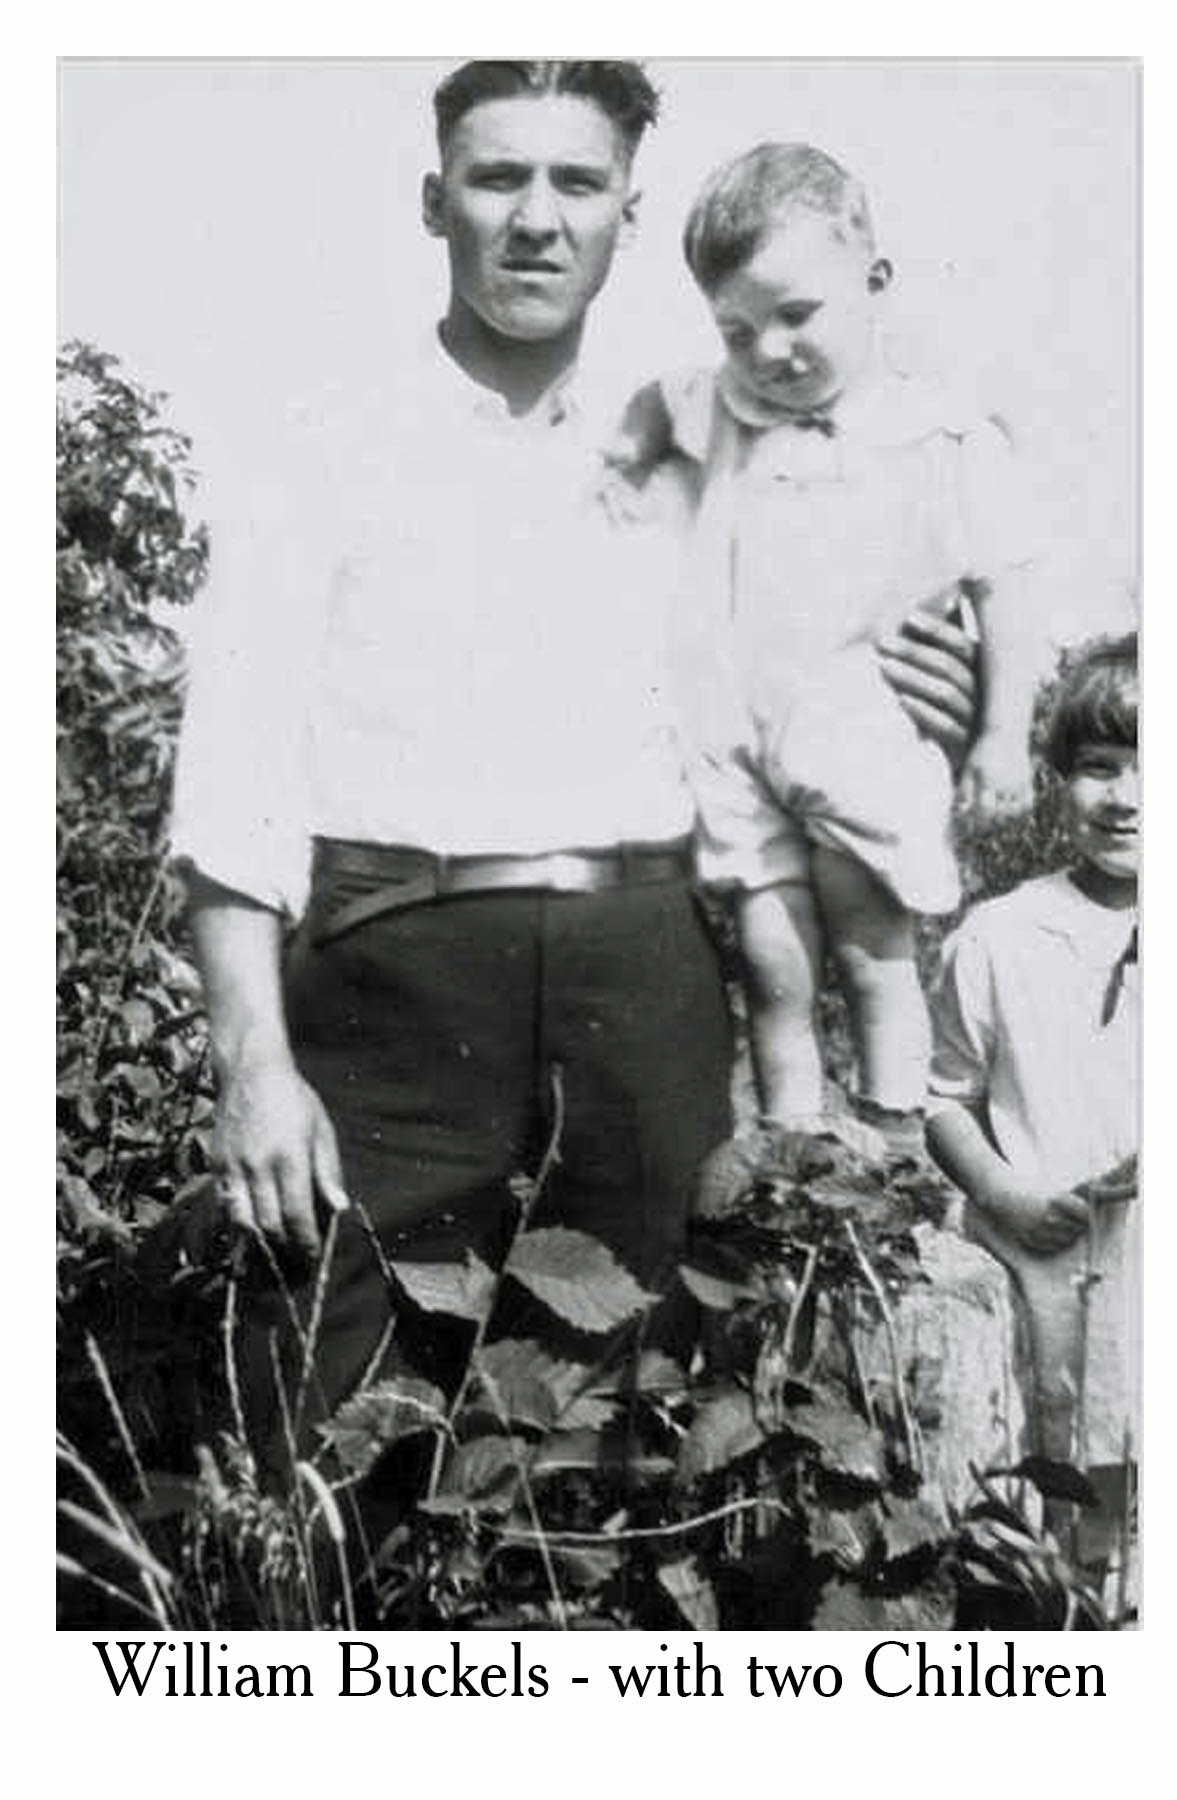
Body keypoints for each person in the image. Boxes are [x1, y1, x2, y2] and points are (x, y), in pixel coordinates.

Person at [171, 63, 982, 1472]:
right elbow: (236, 778)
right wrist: (252, 1063)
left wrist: (938, 699)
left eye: (577, 183)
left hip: (640, 981)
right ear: (435, 202)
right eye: (498, 179)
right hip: (391, 981)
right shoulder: (321, 445)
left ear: (627, 216)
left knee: (631, 1438)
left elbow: (818, 682)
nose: (536, 219)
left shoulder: (707, 444)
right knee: (319, 1438)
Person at [622, 143, 1046, 1138]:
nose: (769, 350)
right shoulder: (723, 410)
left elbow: (1008, 583)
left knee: (869, 943)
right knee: (773, 959)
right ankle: (793, 1151)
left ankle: (891, 1141)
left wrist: (1001, 734)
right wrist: (625, 456)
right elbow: (647, 414)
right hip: (735, 738)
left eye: (797, 314)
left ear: (875, 280)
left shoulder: (941, 434)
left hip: (865, 727)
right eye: (737, 330)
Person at [926, 635, 1139, 1584]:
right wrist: (1004, 1193)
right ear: (1058, 779)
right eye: (1100, 766)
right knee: (1068, 1511)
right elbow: (947, 1101)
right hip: (1049, 1267)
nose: (1127, 796)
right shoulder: (1002, 937)